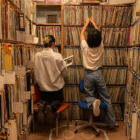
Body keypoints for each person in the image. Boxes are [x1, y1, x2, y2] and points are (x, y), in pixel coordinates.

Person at [80, 17, 117, 128]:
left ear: (88, 39)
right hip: (98, 73)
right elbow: (99, 36)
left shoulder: (85, 46)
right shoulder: (101, 46)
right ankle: (111, 123)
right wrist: (95, 23)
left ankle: (94, 101)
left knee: (89, 95)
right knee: (106, 97)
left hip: (88, 74)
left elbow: (81, 34)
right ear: (99, 39)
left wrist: (86, 23)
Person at [35, 35, 67, 124]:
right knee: (58, 100)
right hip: (56, 87)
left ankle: (43, 105)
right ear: (53, 43)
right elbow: (64, 70)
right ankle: (52, 108)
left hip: (43, 88)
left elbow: (37, 70)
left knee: (46, 100)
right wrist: (63, 76)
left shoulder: (37, 55)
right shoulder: (57, 56)